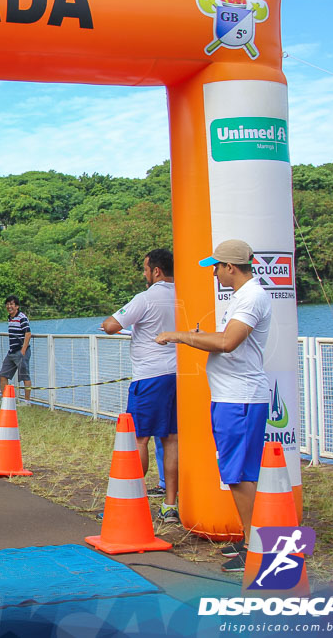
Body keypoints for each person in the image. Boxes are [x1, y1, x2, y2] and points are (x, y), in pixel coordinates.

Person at [156, 239, 271, 573]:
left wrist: (180, 336)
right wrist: (198, 335)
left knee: (238, 474)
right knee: (239, 472)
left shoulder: (250, 298)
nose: (215, 274)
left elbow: (226, 342)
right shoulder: (245, 296)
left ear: (230, 267)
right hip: (233, 397)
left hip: (241, 398)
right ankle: (251, 539)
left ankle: (254, 547)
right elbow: (225, 340)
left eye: (217, 268)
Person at [102, 248, 179, 524]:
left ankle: (133, 501)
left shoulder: (145, 298)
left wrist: (111, 323)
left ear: (156, 271)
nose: (144, 274)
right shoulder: (183, 294)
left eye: (145, 269)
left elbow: (111, 325)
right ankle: (170, 505)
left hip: (149, 377)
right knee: (171, 439)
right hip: (177, 375)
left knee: (139, 439)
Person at [0, 295, 33, 402]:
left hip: (21, 351)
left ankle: (27, 401)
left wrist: (23, 351)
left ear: (17, 306)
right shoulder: (10, 318)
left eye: (12, 304)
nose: (9, 306)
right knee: (3, 375)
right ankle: (5, 400)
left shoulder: (22, 317)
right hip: (12, 352)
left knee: (24, 376)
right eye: (7, 304)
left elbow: (28, 334)